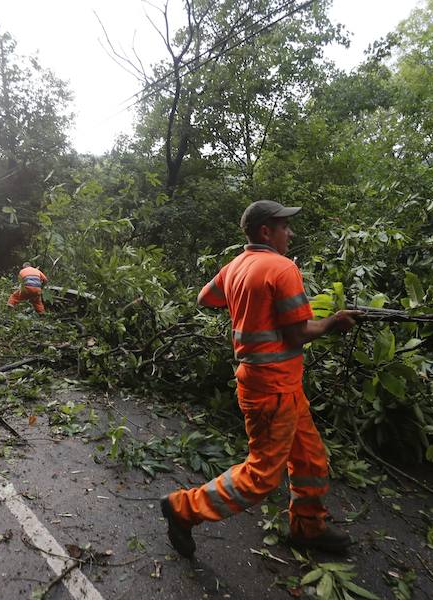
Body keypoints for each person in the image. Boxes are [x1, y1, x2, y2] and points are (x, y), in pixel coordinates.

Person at [160, 200, 362, 559]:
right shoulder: (282, 268)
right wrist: (333, 322)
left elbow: (206, 298)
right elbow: (298, 333)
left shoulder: (236, 266)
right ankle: (183, 509)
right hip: (272, 389)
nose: (291, 233)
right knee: (262, 475)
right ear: (266, 231)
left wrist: (246, 302)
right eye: (285, 226)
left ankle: (307, 527)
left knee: (310, 458)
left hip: (280, 386)